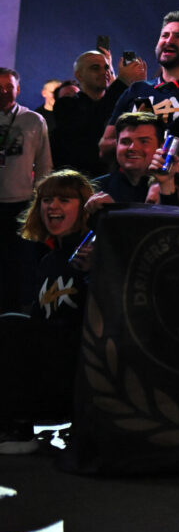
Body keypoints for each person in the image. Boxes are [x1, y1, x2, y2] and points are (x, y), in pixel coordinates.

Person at [0, 170, 96, 453]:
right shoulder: (48, 261)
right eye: (46, 200)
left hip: (80, 361)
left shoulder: (96, 252)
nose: (52, 206)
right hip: (50, 361)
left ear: (84, 208)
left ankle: (20, 429)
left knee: (11, 325)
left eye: (64, 200)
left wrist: (91, 273)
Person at [101, 12, 179, 166]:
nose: (169, 40)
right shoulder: (137, 90)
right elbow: (105, 146)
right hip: (134, 179)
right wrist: (135, 140)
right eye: (164, 35)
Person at [0, 69, 57, 239]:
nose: (3, 91)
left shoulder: (34, 120)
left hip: (20, 201)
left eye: (9, 86)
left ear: (18, 89)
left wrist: (39, 200)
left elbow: (44, 164)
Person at [49, 51, 121, 177]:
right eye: (95, 68)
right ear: (79, 75)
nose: (104, 72)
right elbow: (91, 125)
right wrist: (121, 83)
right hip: (77, 181)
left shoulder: (117, 104)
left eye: (106, 67)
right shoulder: (66, 105)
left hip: (112, 180)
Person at [87, 112, 179, 208]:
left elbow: (174, 217)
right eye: (125, 142)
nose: (132, 148)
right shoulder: (93, 189)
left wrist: (166, 184)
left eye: (143, 141)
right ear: (116, 145)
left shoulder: (178, 187)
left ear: (161, 146)